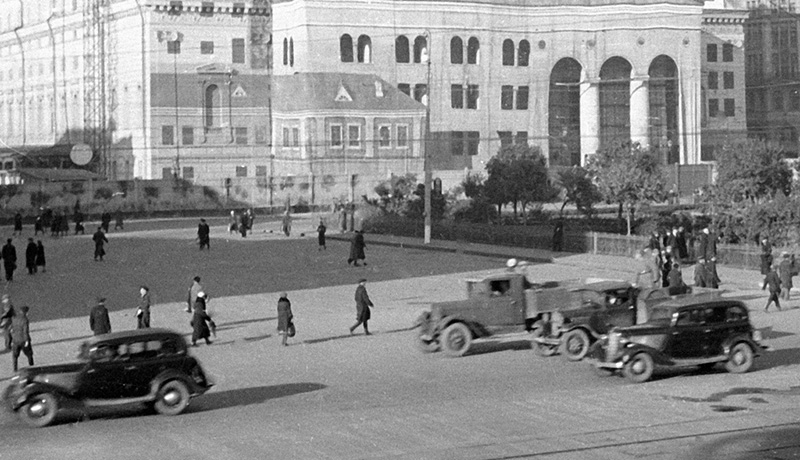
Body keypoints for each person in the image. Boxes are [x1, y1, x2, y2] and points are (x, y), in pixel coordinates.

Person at [9, 305, 33, 372]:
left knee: (15, 356)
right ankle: (32, 366)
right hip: (23, 340)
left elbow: (11, 329)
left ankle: (15, 369)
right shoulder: (25, 320)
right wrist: (27, 340)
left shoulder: (14, 318)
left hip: (15, 340)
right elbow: (25, 331)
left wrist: (13, 337)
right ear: (25, 312)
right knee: (29, 354)